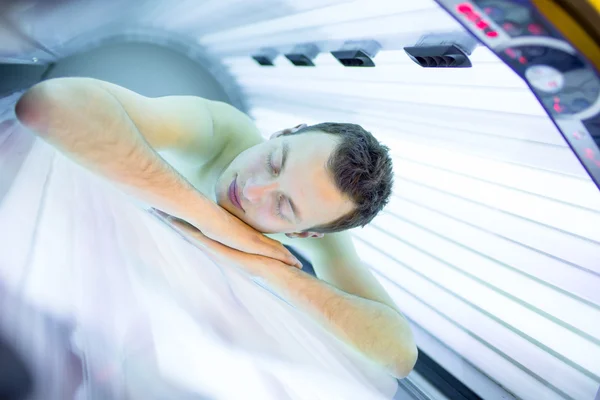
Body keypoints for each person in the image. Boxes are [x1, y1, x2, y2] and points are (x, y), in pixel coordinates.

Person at [14, 77, 417, 380]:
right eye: (275, 162)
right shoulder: (220, 130)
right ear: (283, 133)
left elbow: (398, 354)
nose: (254, 188)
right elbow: (48, 104)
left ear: (303, 235)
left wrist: (273, 270)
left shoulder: (325, 238)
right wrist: (218, 225)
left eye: (283, 206)